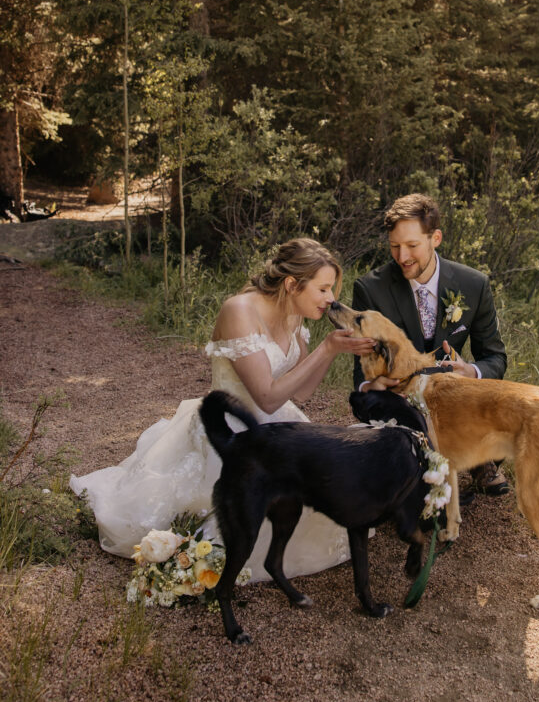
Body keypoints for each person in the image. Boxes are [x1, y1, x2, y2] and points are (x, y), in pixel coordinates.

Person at [70, 238, 374, 580]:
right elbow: (267, 397)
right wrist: (327, 347)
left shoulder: (294, 317)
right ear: (292, 284)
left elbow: (298, 393)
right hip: (230, 427)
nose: (331, 298)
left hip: (278, 425)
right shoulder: (239, 311)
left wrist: (330, 352)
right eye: (323, 288)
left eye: (331, 288)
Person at [352, 193, 509, 496]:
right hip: (399, 395)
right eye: (394, 246)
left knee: (502, 398)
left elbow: (494, 356)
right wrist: (372, 386)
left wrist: (472, 371)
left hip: (452, 392)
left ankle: (481, 459)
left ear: (435, 238)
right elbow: (363, 371)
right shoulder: (370, 289)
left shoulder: (474, 284)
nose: (402, 257)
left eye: (412, 246)